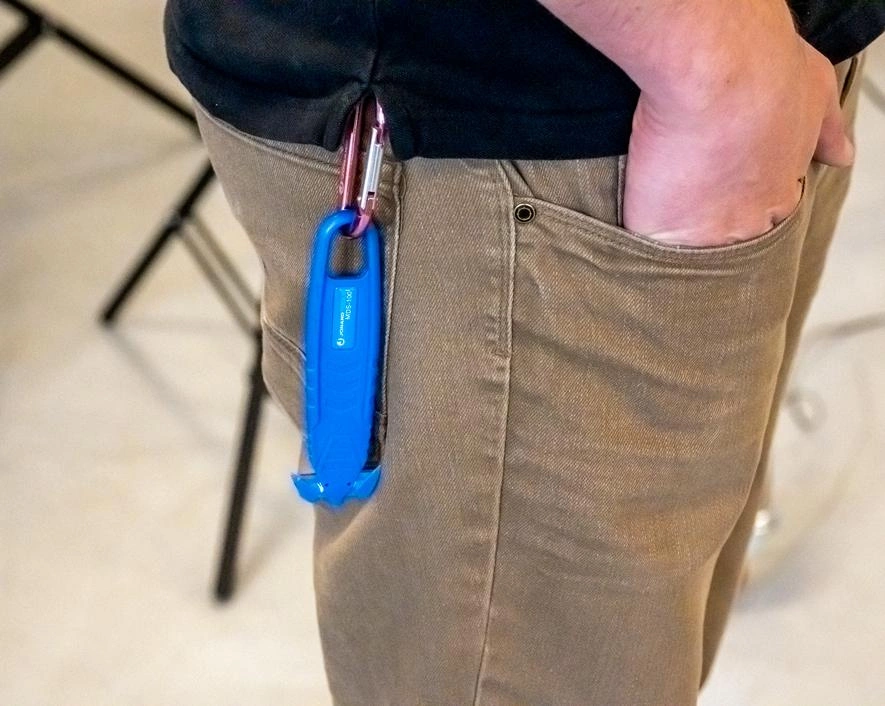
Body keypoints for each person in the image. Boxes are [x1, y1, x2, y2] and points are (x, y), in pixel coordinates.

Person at [165, 1, 883, 703]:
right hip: (552, 123)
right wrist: (713, 67)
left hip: (755, 74)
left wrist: (742, 76)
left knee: (650, 643)